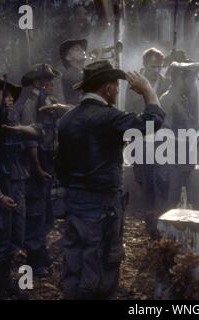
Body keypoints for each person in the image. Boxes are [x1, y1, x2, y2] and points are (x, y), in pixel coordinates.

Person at [55, 60, 165, 299]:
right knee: (102, 265)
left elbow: (60, 167)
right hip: (102, 206)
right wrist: (148, 90)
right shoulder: (109, 117)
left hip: (74, 203)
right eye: (116, 85)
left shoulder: (66, 119)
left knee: (74, 263)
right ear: (106, 88)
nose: (118, 90)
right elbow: (152, 122)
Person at [0, 78, 40, 299]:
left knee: (15, 242)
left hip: (15, 189)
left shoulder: (12, 124)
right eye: (6, 96)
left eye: (13, 96)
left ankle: (8, 285)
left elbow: (35, 134)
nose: (11, 100)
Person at [19, 63, 70, 277]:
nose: (50, 84)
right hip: (35, 164)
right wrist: (37, 167)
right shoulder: (30, 104)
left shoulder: (50, 102)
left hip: (49, 160)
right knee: (36, 212)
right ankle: (33, 259)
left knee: (48, 212)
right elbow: (30, 141)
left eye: (51, 80)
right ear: (36, 84)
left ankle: (40, 251)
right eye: (46, 81)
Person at [125, 47, 170, 239]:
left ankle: (164, 218)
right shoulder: (134, 85)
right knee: (145, 180)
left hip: (163, 140)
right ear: (144, 65)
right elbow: (130, 111)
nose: (156, 70)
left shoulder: (168, 83)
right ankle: (150, 222)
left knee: (163, 179)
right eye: (153, 66)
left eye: (159, 67)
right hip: (142, 138)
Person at [156, 61, 199, 214]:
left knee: (184, 202)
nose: (193, 84)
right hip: (171, 162)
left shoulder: (184, 100)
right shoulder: (167, 100)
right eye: (191, 80)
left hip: (184, 160)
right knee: (169, 203)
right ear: (180, 79)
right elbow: (163, 133)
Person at [59, 39, 88, 105]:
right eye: (76, 49)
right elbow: (92, 83)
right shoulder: (69, 74)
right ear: (68, 57)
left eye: (82, 49)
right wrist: (98, 58)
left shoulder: (82, 72)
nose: (82, 51)